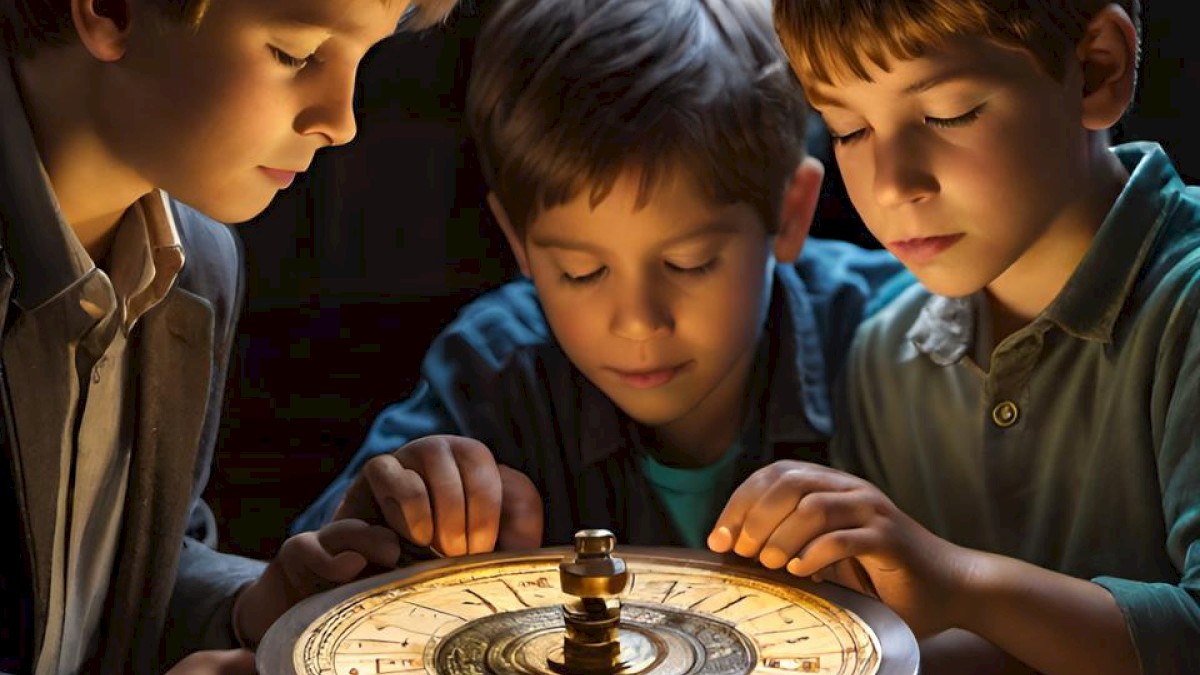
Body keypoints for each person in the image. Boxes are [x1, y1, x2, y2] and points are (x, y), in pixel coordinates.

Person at [294, 0, 906, 571]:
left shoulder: (902, 340)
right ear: (519, 242)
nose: (638, 321)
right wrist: (392, 522)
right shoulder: (496, 370)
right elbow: (318, 572)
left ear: (789, 213)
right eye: (582, 272)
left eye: (690, 262)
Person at [707, 1, 1200, 673]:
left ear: (1094, 71)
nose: (891, 184)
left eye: (948, 114)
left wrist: (959, 583)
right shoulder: (886, 356)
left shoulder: (1185, 310)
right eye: (848, 130)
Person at [0, 0, 458, 673]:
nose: (342, 121)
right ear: (112, 10)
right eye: (297, 55)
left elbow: (118, 585)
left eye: (364, 59)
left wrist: (253, 608)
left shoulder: (193, 264)